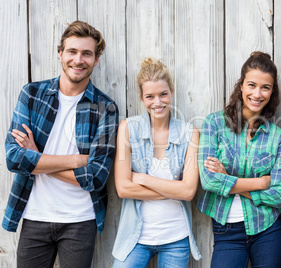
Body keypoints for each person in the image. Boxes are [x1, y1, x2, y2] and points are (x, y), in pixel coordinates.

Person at [2, 20, 119, 268]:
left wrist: (37, 158)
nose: (78, 60)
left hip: (80, 220)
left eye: (87, 53)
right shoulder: (32, 95)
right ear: (60, 54)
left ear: (96, 59)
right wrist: (76, 160)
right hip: (34, 215)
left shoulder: (106, 108)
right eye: (72, 52)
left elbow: (97, 177)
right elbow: (14, 158)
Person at [198, 51, 281, 268]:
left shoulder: (276, 136)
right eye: (252, 85)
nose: (257, 94)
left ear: (272, 92)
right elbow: (208, 180)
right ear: (241, 85)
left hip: (268, 229)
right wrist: (260, 183)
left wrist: (227, 179)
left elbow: (277, 196)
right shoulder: (215, 124)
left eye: (265, 87)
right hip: (227, 231)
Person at [112, 57, 201, 267]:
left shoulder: (190, 133)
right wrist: (174, 190)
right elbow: (123, 189)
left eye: (163, 94)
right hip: (135, 237)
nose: (158, 102)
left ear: (171, 91)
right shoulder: (128, 128)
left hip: (176, 238)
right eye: (150, 96)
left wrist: (142, 178)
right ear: (142, 98)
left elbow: (189, 192)